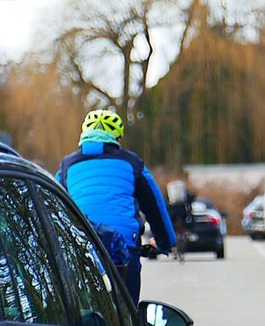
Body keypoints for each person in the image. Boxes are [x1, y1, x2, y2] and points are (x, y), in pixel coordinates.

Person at [56, 109, 175, 306]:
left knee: (84, 314)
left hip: (81, 248)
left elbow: (52, 206)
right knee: (127, 315)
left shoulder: (66, 166)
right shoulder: (132, 163)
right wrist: (164, 242)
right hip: (124, 250)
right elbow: (155, 207)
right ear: (117, 139)